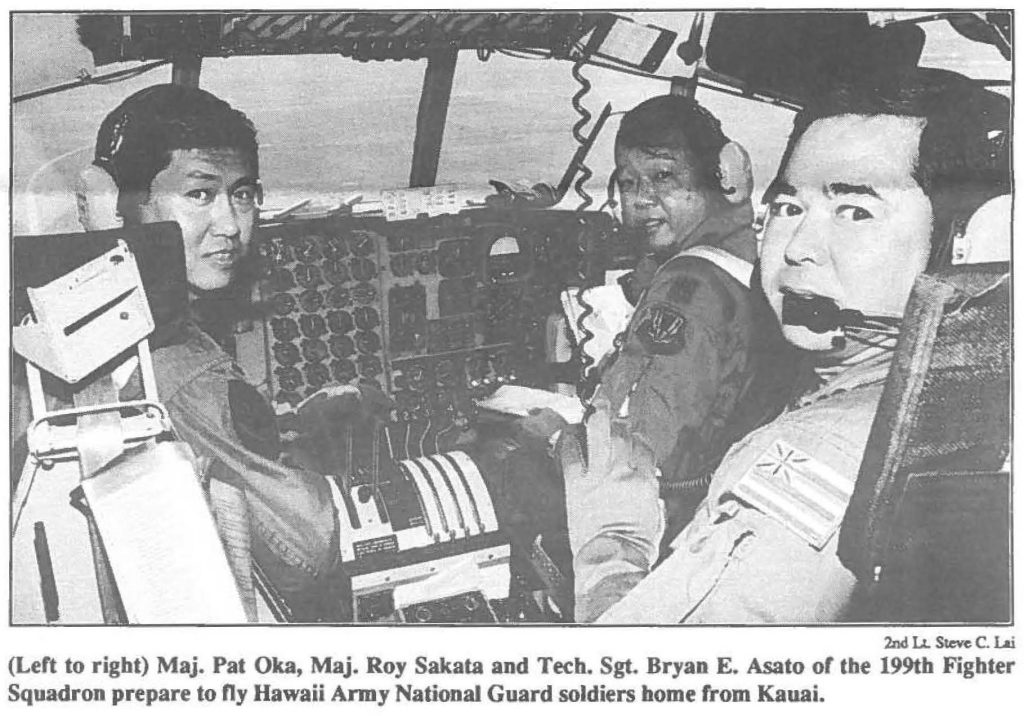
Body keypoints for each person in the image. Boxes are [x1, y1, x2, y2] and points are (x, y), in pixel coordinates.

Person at [563, 70, 1010, 623]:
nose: (797, 247)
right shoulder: (970, 398)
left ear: (967, 246)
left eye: (855, 210)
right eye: (790, 207)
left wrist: (611, 534)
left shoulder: (814, 454)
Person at [472, 95, 791, 586]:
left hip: (664, 527)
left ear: (719, 175)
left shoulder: (687, 291)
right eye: (626, 182)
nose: (640, 199)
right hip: (716, 503)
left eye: (664, 177)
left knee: (483, 463)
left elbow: (632, 457)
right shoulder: (747, 258)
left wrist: (554, 436)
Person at [77, 84, 339, 620]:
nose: (230, 224)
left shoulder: (79, 330)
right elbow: (308, 551)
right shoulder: (181, 367)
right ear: (120, 202)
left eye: (242, 194)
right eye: (200, 194)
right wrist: (316, 453)